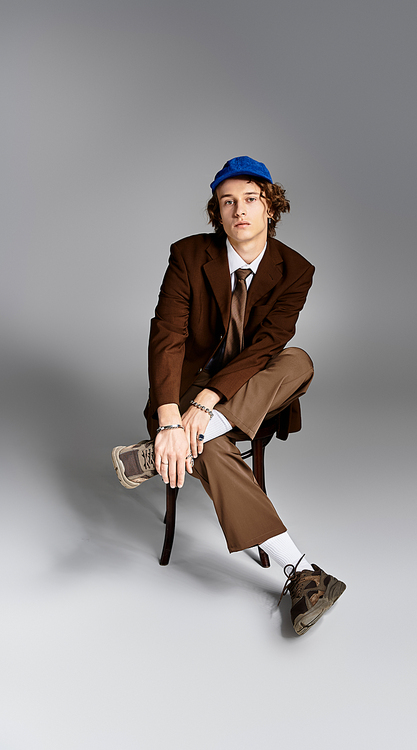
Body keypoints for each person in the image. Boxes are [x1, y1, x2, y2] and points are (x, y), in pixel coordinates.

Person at [112, 156, 346, 635]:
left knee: (298, 359)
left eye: (250, 200)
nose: (239, 210)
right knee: (213, 446)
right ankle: (303, 572)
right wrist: (173, 416)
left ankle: (165, 454)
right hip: (185, 391)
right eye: (227, 202)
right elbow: (168, 337)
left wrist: (207, 407)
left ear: (270, 207)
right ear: (217, 213)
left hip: (249, 386)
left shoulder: (296, 269)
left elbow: (266, 347)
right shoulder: (188, 255)